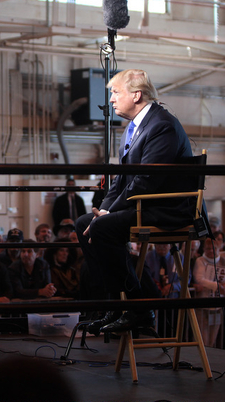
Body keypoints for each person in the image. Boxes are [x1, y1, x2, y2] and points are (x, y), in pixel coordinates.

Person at [76, 69, 197, 334]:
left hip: (167, 208)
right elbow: (120, 180)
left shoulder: (161, 124)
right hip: (146, 204)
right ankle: (119, 304)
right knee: (84, 224)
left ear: (137, 95)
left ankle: (139, 307)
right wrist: (105, 209)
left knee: (102, 228)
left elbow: (146, 180)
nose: (111, 99)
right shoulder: (133, 127)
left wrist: (108, 215)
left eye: (116, 92)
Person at [193, 237, 225, 347]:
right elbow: (199, 279)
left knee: (213, 340)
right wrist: (217, 286)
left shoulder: (223, 260)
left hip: (217, 306)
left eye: (214, 248)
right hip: (203, 305)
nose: (211, 251)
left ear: (218, 248)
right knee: (203, 340)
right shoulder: (200, 261)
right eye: (208, 248)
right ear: (204, 249)